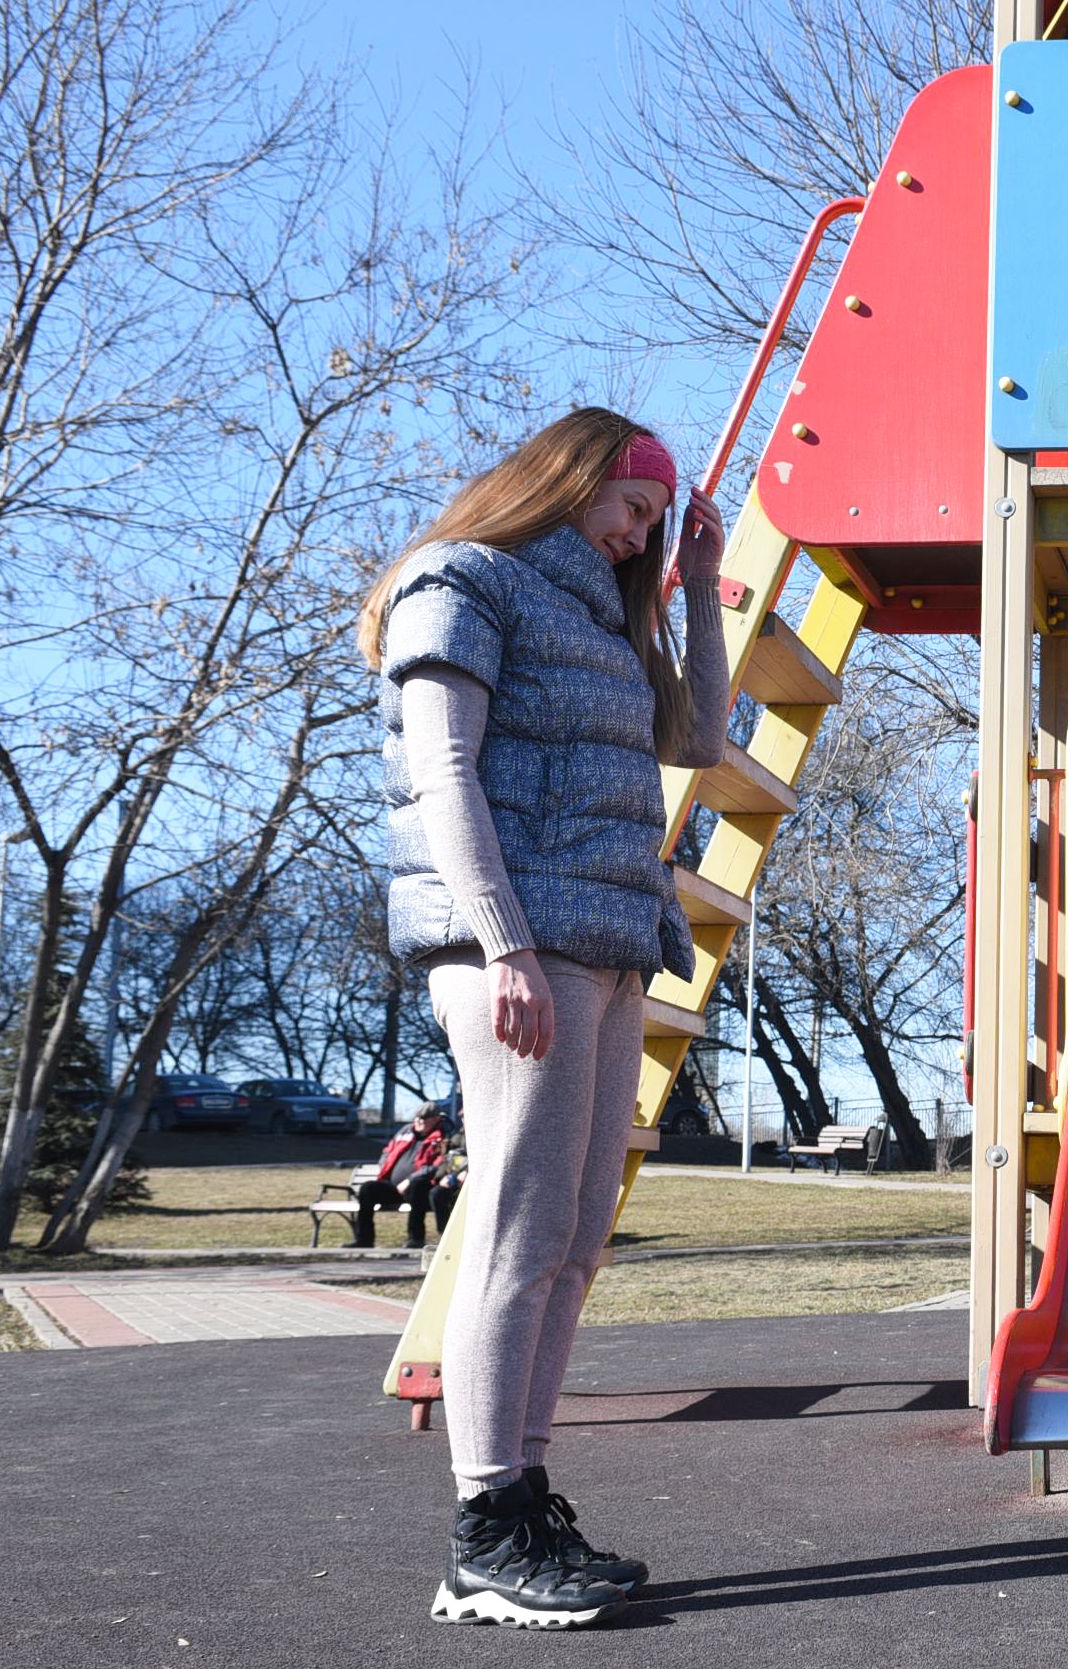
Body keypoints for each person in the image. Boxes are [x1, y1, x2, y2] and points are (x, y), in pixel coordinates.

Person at [357, 407, 730, 1629]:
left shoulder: (601, 624)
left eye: (652, 524)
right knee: (519, 1226)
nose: (636, 538)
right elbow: (442, 772)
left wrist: (703, 593)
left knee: (572, 1236)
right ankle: (482, 1529)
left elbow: (702, 739)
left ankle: (520, 1498)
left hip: (614, 946)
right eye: (631, 509)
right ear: (571, 479)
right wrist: (504, 941)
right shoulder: (461, 580)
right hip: (516, 943)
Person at [353, 1105, 456, 1249]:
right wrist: (384, 1167)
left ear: (436, 1119)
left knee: (417, 1186)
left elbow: (438, 1165)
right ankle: (363, 1240)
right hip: (394, 1186)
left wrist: (410, 1179)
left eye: (424, 1118)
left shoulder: (443, 1136)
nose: (419, 1121)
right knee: (368, 1189)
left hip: (422, 1188)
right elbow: (387, 1151)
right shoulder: (405, 1131)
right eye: (417, 1118)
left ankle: (415, 1238)